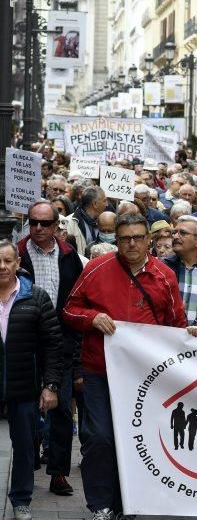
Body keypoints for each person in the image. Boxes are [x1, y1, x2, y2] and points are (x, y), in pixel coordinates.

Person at [63, 212, 187, 519]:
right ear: (115, 241)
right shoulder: (96, 268)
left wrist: (190, 337)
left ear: (149, 240)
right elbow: (69, 310)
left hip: (145, 377)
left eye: (137, 238)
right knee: (100, 437)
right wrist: (92, 318)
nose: (131, 244)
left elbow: (177, 324)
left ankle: (128, 502)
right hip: (100, 371)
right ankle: (102, 505)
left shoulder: (163, 275)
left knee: (136, 441)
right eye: (124, 239)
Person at [17, 201, 83, 498]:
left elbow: (78, 298)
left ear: (57, 226)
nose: (38, 229)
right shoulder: (16, 253)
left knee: (61, 411)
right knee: (26, 410)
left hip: (61, 342)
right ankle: (26, 469)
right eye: (33, 222)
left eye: (45, 224)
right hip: (25, 343)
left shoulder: (69, 256)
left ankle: (58, 473)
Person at [0, 240, 62, 520]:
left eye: (7, 261)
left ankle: (21, 499)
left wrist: (50, 386)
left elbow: (52, 345)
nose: (2, 267)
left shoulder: (36, 297)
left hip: (24, 385)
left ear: (17, 264)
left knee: (25, 446)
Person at [66, 186, 107, 257]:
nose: (107, 204)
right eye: (104, 201)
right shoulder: (69, 223)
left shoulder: (106, 222)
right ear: (95, 204)